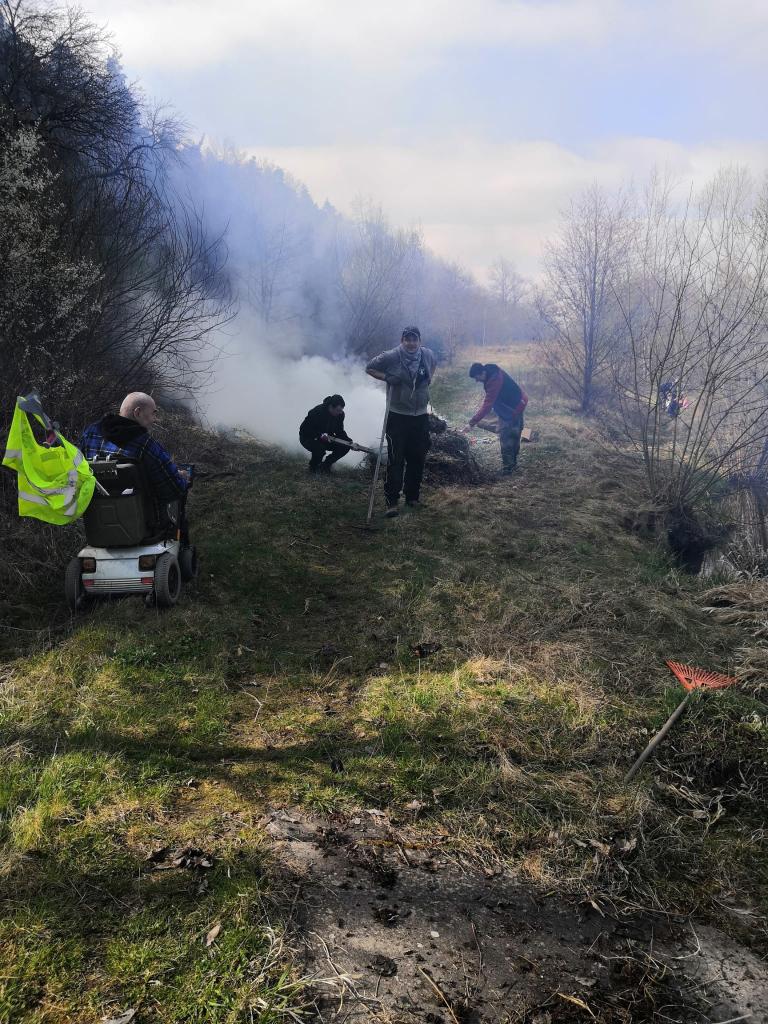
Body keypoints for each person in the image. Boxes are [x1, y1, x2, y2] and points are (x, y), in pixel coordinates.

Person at [79, 392, 190, 532]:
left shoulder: (90, 434)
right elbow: (173, 490)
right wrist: (182, 478)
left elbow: (80, 473)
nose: (154, 419)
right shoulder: (146, 445)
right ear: (137, 412)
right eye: (153, 413)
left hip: (98, 526)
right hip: (145, 527)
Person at [366, 326, 437, 517]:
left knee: (417, 458)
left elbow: (433, 365)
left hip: (420, 416)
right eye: (407, 339)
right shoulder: (391, 356)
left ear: (419, 341)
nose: (411, 343)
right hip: (397, 415)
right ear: (402, 340)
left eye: (414, 339)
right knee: (396, 459)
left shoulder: (427, 354)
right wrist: (387, 377)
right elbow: (370, 367)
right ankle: (392, 502)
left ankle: (412, 497)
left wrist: (428, 380)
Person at [464, 363, 528, 474]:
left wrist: (471, 423)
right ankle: (513, 464)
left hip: (514, 407)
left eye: (477, 377)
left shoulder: (494, 381)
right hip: (519, 401)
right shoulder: (492, 371)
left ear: (483, 373)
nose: (477, 381)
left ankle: (508, 468)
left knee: (506, 436)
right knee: (515, 432)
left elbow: (487, 405)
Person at [299, 395, 352, 474]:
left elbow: (339, 431)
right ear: (331, 407)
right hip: (308, 437)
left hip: (327, 438)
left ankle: (325, 466)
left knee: (345, 447)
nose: (340, 412)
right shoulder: (316, 411)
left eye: (341, 410)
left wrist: (348, 441)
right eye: (338, 410)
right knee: (320, 448)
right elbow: (305, 429)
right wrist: (320, 435)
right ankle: (313, 468)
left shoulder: (340, 415)